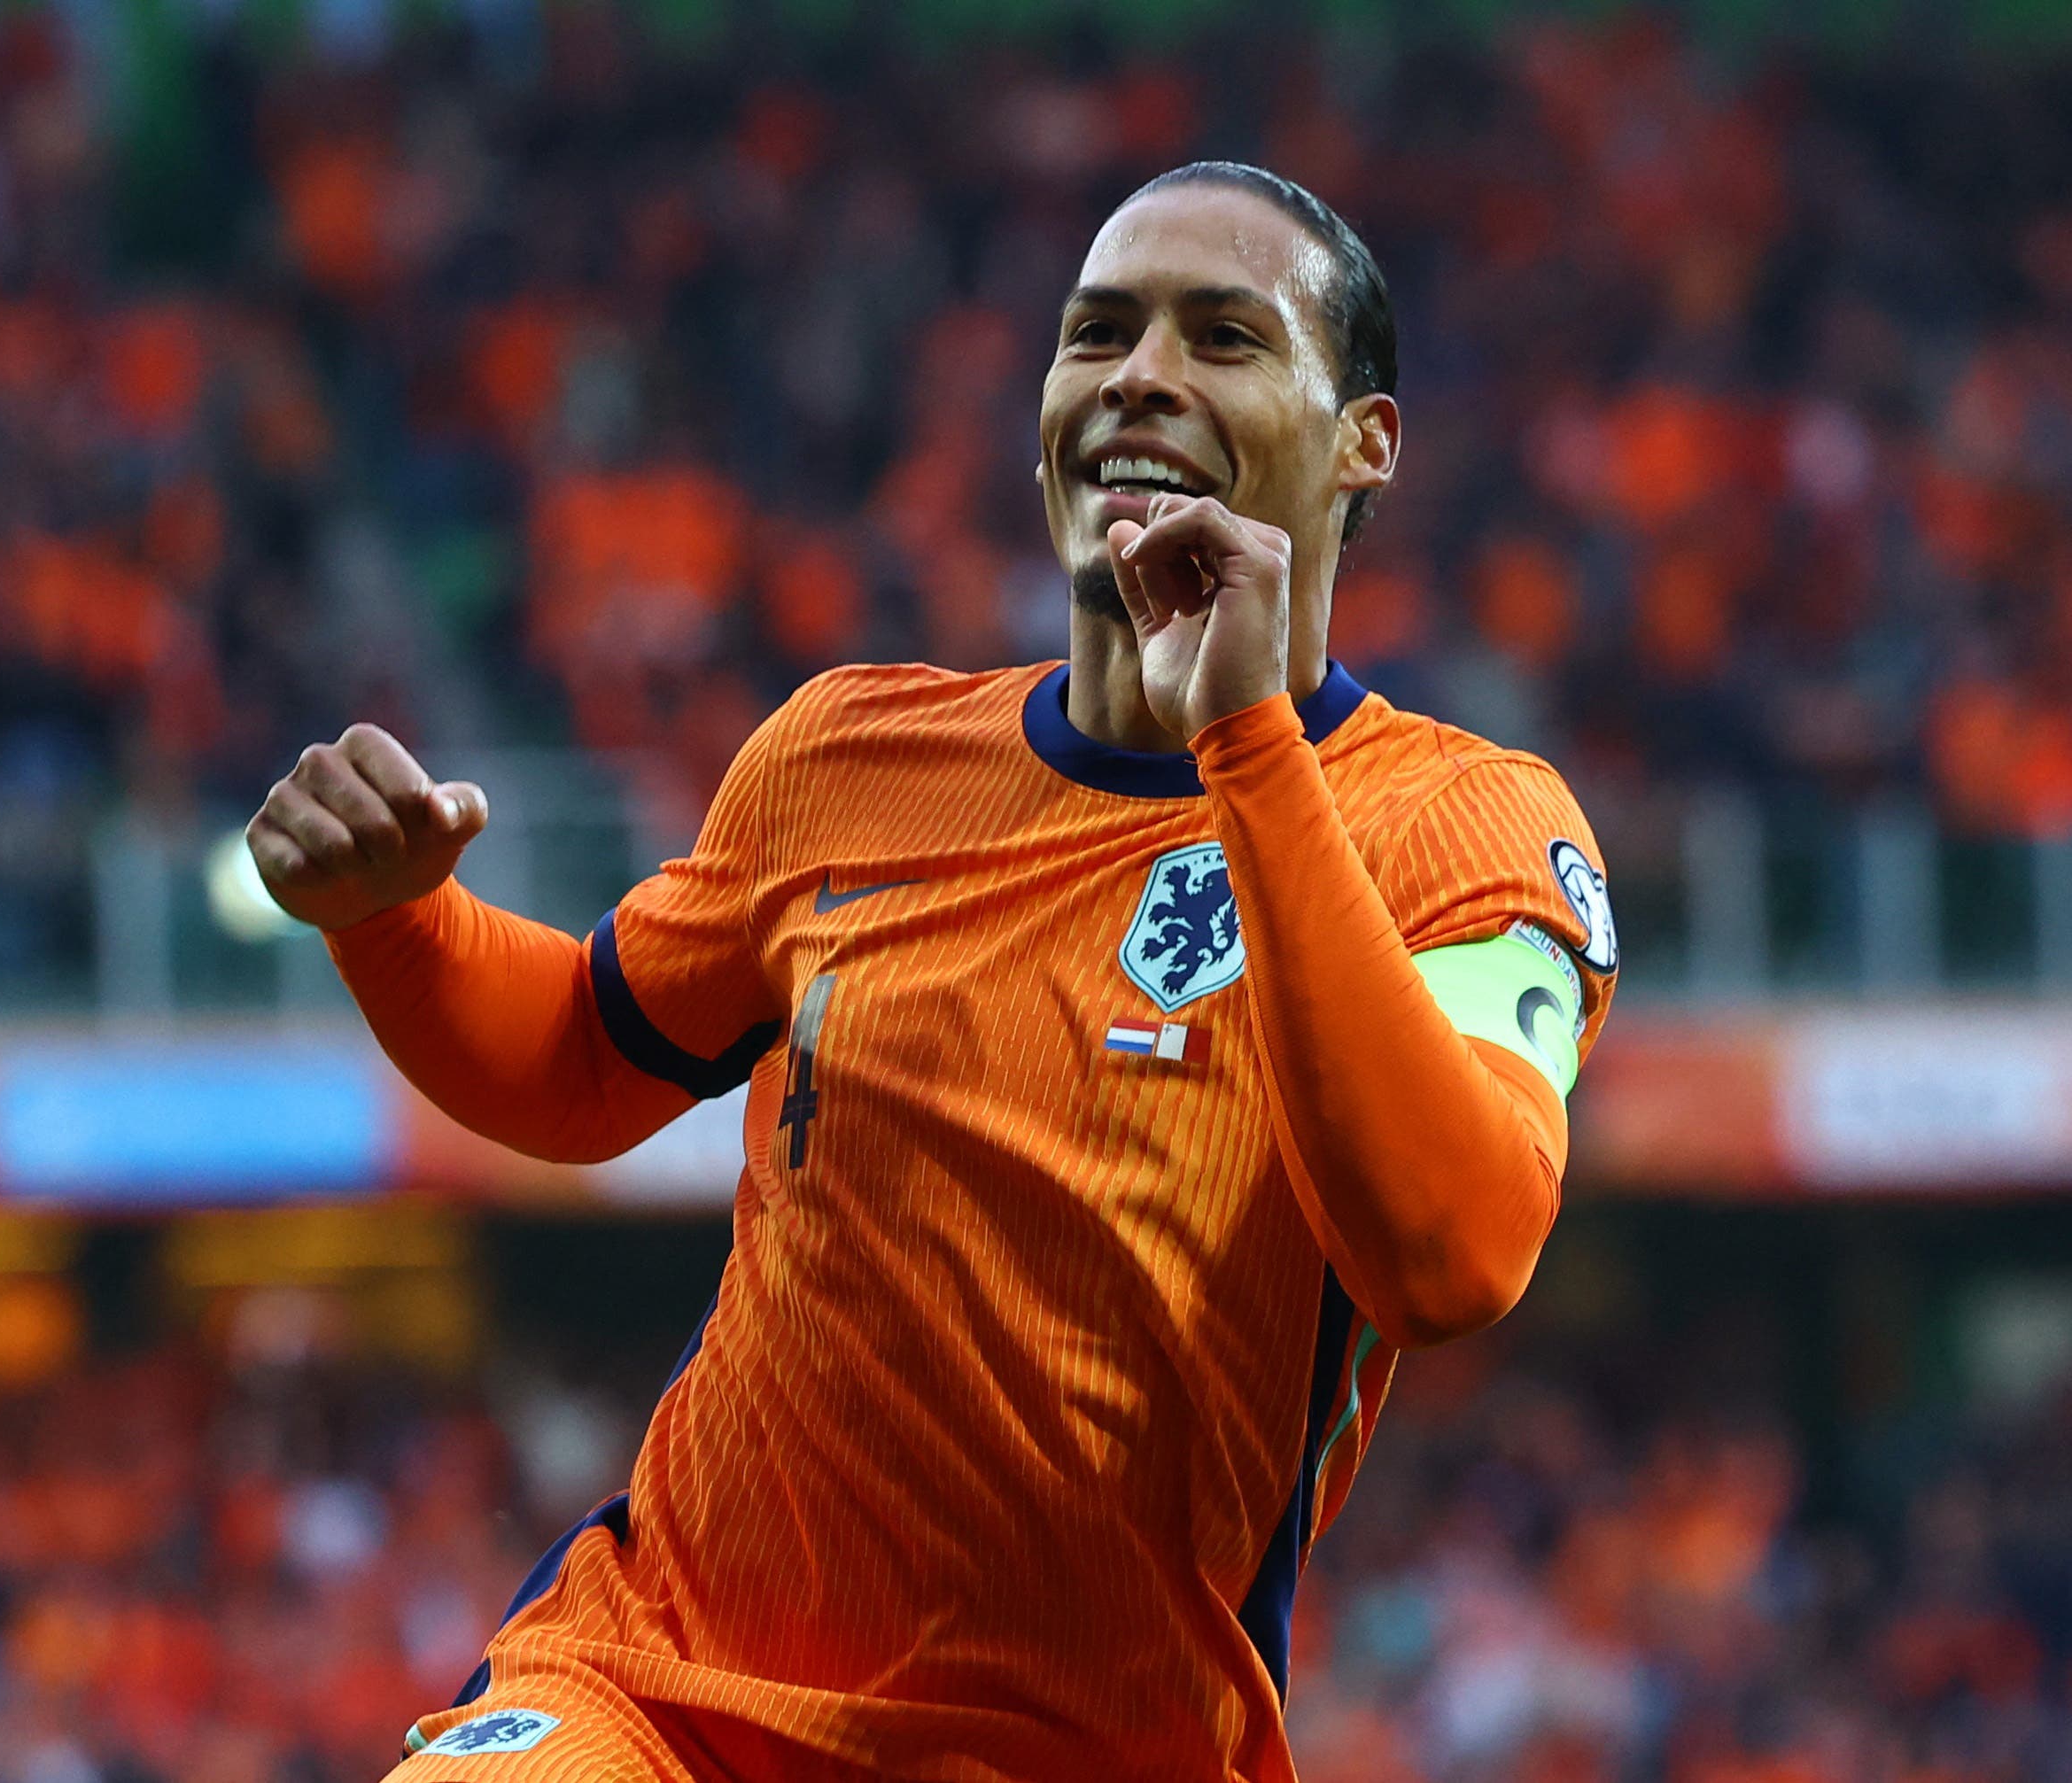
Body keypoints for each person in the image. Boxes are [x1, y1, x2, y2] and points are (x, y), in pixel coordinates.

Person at [247, 161, 1617, 1783]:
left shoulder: (1462, 823)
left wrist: (1247, 743)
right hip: (661, 1699)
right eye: (1096, 333)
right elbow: (577, 1060)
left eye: (1223, 336)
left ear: (1361, 443)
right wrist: (397, 921)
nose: (1138, 375)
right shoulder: (844, 753)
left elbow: (1451, 1256)